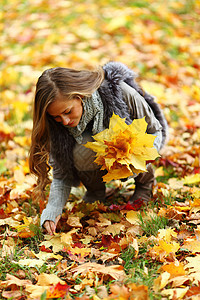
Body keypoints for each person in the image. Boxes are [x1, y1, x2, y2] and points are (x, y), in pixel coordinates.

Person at [29, 62, 168, 235]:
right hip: (100, 154)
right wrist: (52, 211)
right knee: (81, 150)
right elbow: (61, 174)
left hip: (136, 146)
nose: (64, 121)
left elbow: (155, 130)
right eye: (57, 117)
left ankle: (144, 184)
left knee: (132, 143)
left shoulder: (119, 92)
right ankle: (96, 191)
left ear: (79, 96)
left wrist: (140, 159)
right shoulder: (57, 126)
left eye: (68, 111)